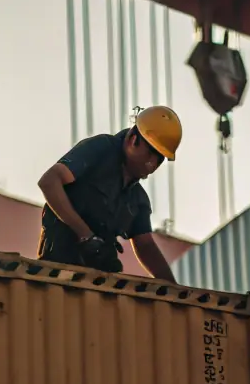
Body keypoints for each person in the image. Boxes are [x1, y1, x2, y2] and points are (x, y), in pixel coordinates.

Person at [37, 106, 182, 280]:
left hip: (95, 283)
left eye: (160, 159)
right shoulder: (99, 150)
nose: (152, 164)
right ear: (133, 139)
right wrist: (86, 235)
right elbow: (49, 181)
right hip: (56, 270)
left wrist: (173, 290)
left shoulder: (137, 200)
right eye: (151, 153)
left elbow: (146, 246)